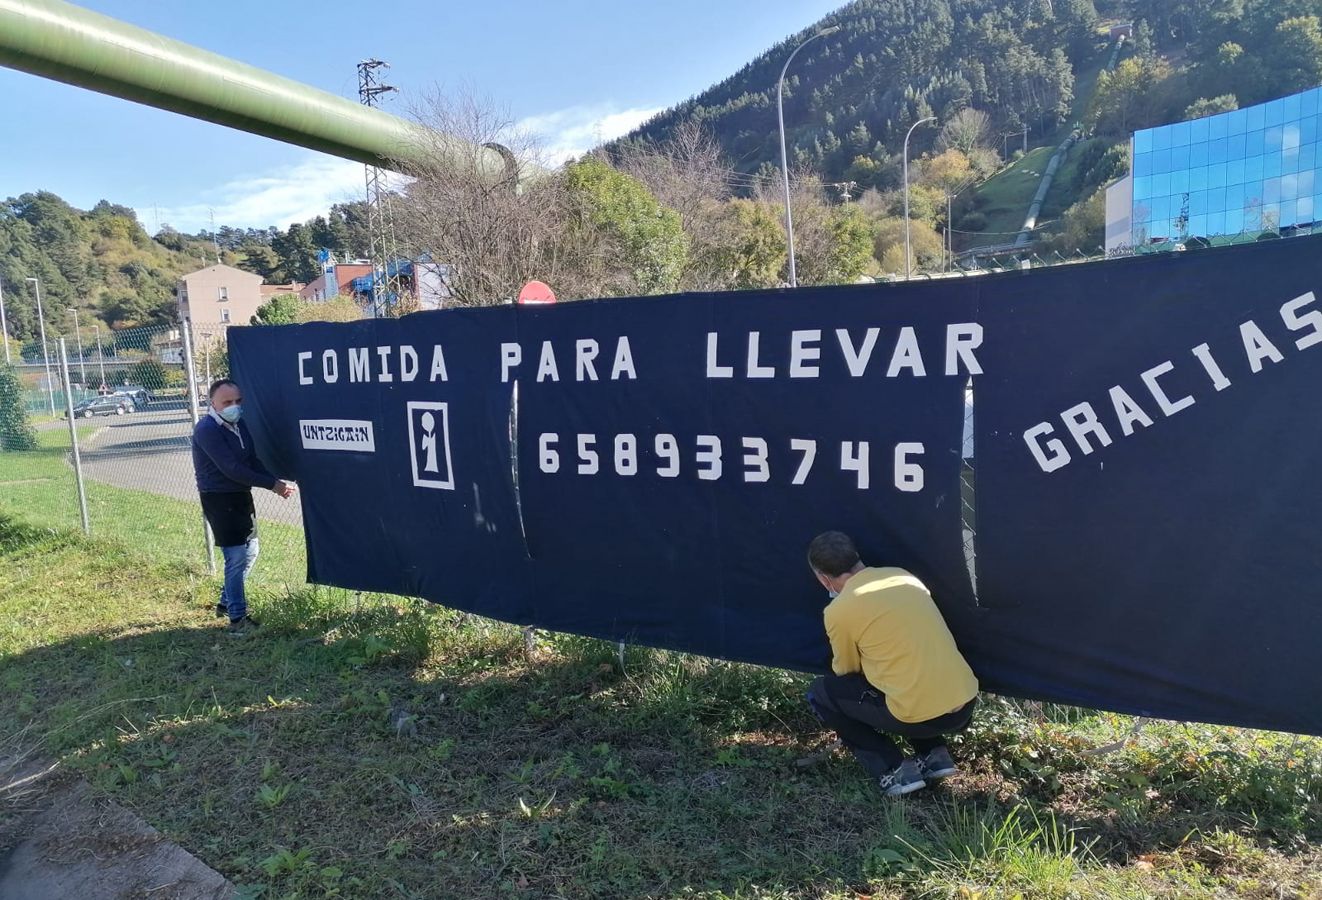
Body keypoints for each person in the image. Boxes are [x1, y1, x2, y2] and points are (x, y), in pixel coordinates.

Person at [805, 531, 979, 796]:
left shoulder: (839, 611)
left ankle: (894, 769)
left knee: (823, 693)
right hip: (964, 703)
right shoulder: (902, 576)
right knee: (904, 675)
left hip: (918, 717)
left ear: (823, 579)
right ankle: (934, 755)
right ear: (856, 558)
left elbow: (846, 670)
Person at [191, 379, 296, 636]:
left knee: (251, 551)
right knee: (236, 557)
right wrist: (273, 485)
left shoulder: (239, 424)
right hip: (219, 498)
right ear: (212, 403)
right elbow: (233, 469)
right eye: (227, 402)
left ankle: (226, 602)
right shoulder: (207, 430)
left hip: (240, 496)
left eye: (238, 401)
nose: (234, 406)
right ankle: (238, 619)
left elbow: (251, 460)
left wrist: (277, 480)